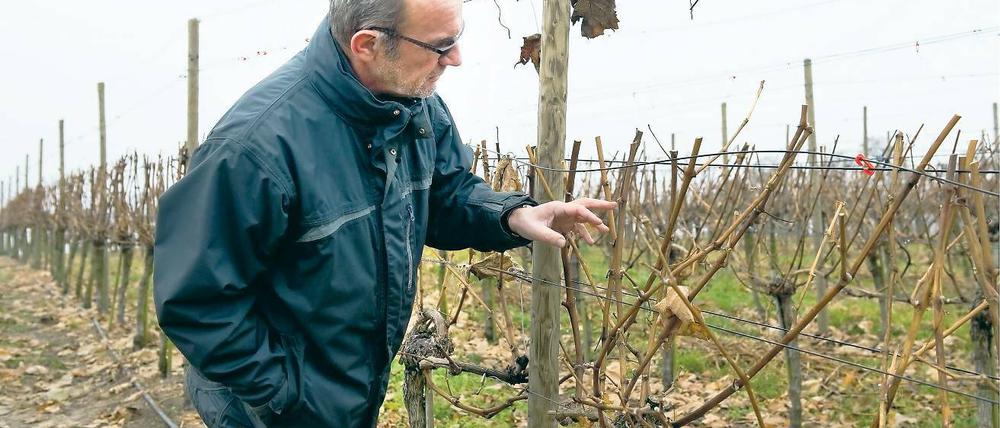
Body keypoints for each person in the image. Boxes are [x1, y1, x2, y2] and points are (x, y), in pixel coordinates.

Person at [153, 0, 615, 426]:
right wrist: (287, 394)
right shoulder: (255, 149)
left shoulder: (416, 107)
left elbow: (444, 195)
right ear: (368, 45)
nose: (455, 59)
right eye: (440, 46)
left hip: (351, 392)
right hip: (268, 409)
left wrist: (510, 215)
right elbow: (198, 299)